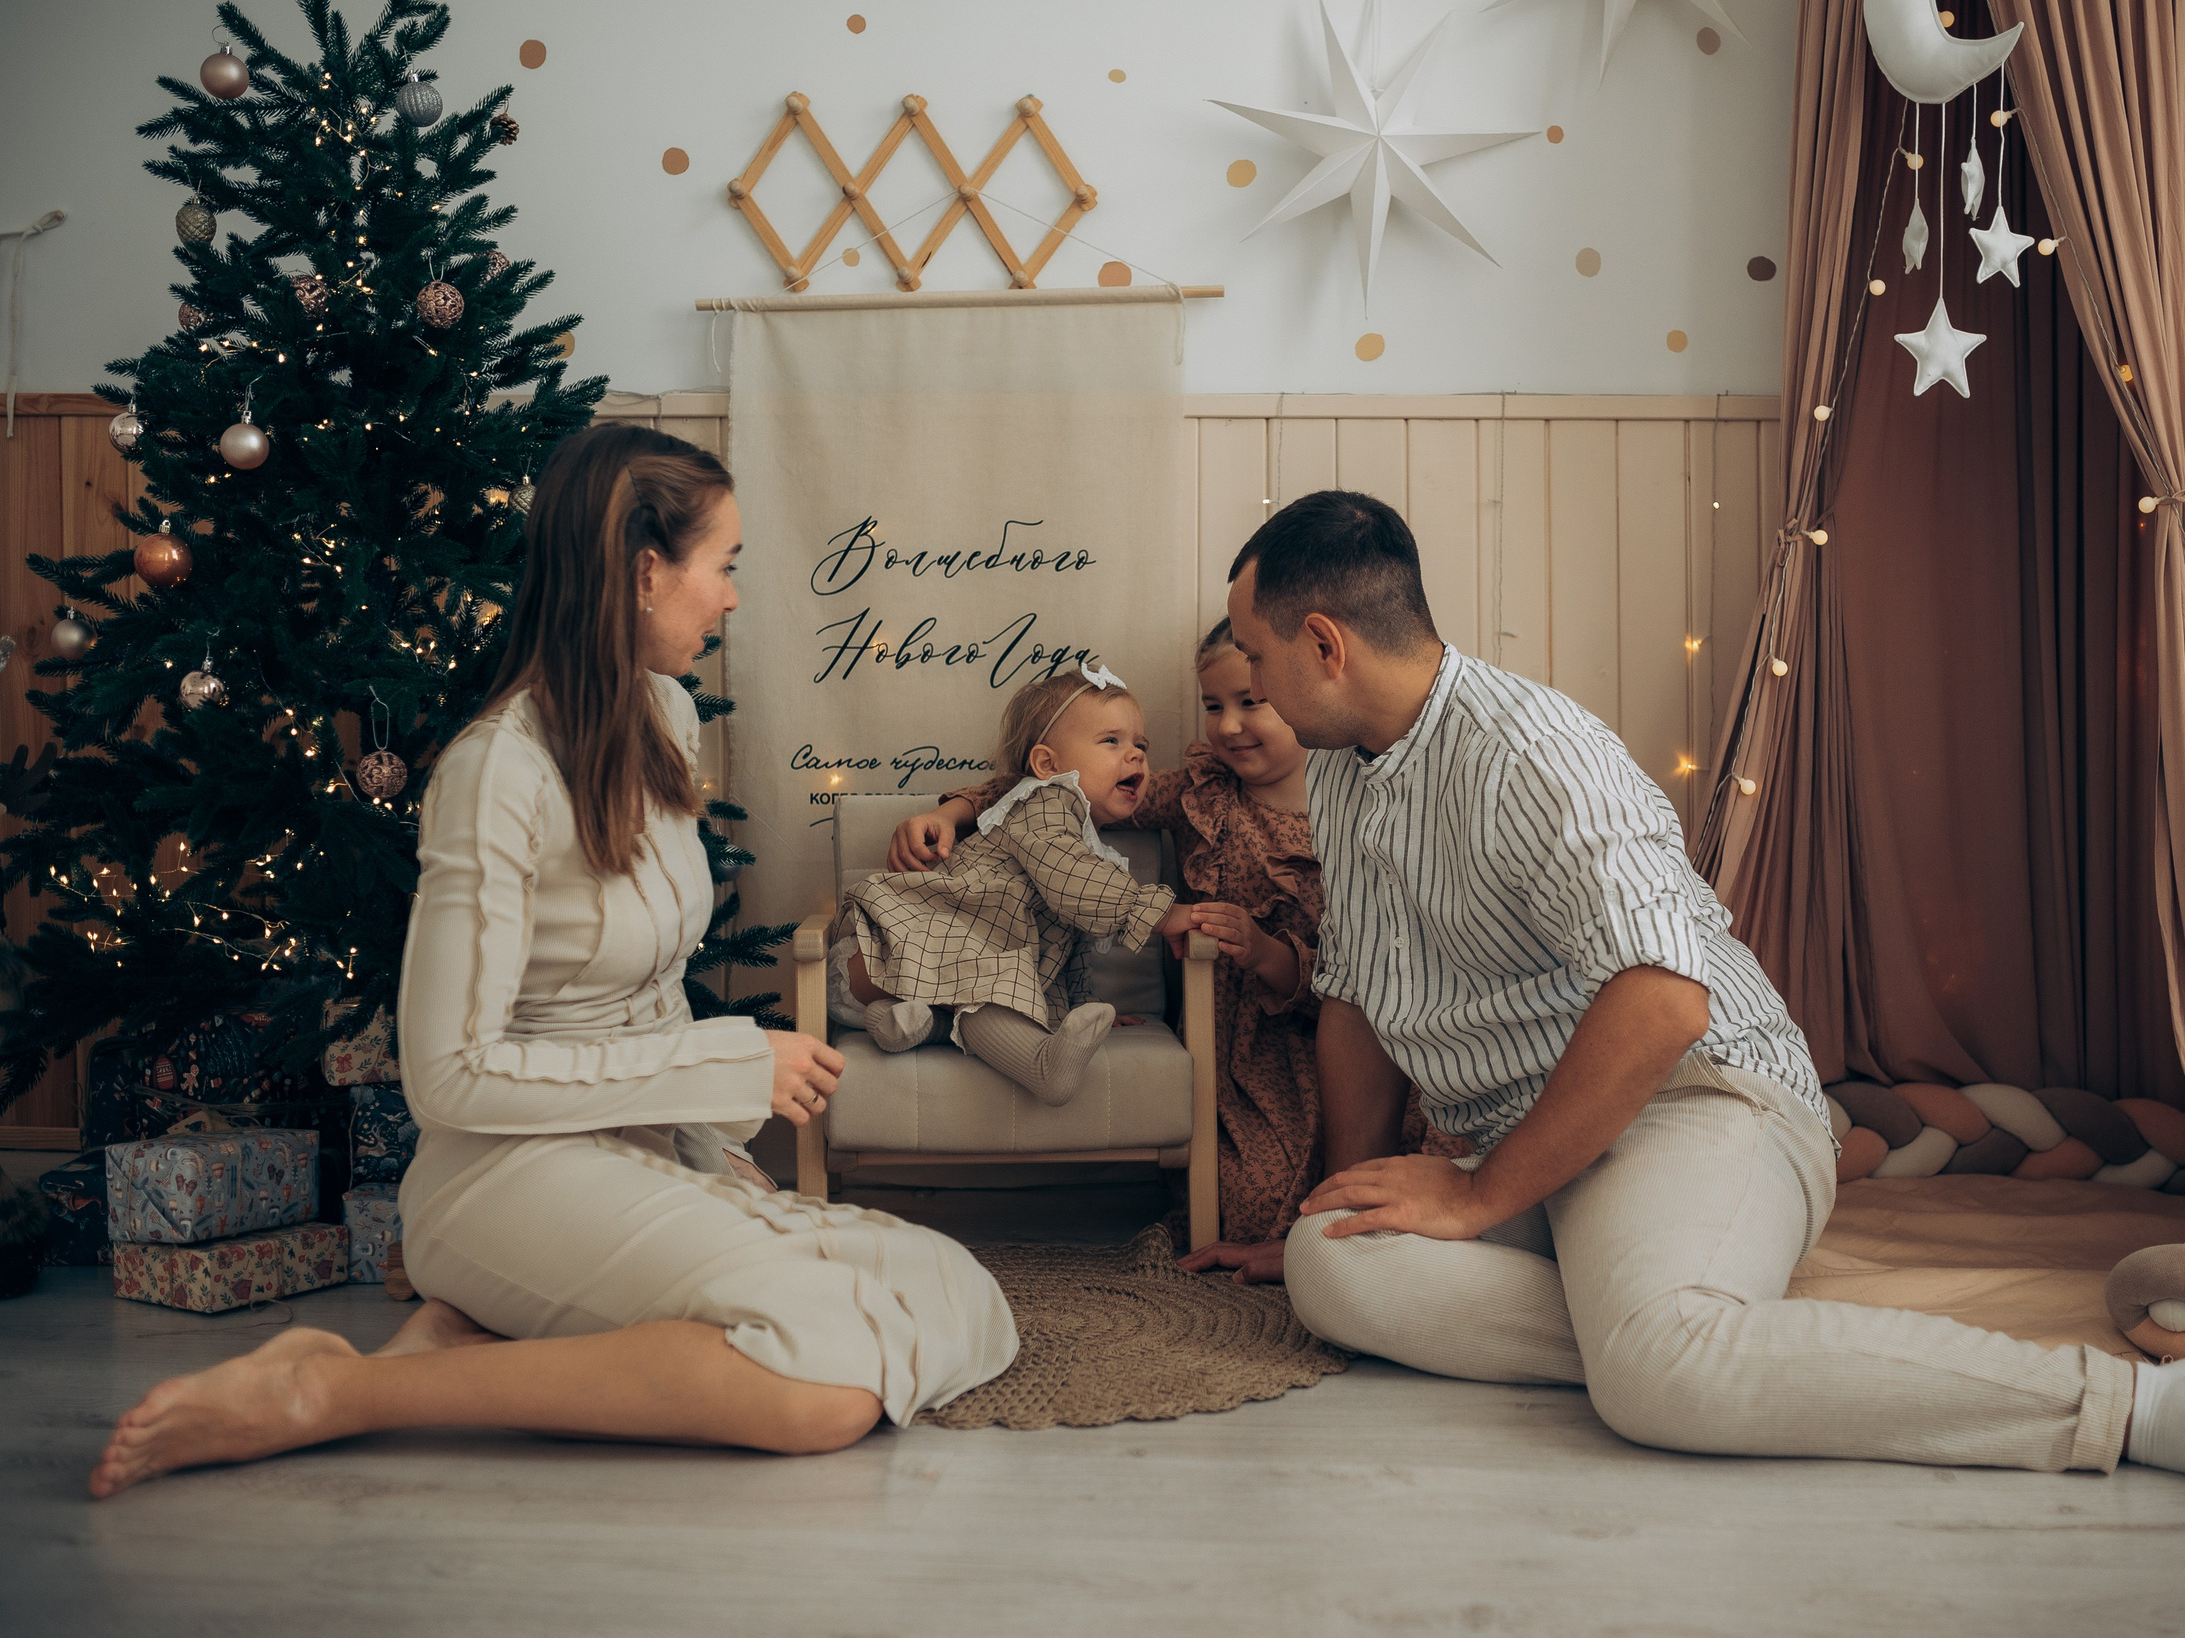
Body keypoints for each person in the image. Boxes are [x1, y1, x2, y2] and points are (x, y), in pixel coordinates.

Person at [1233, 489, 2185, 1521]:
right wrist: (1337, 1189)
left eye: (1254, 653)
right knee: (1330, 1259)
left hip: (1697, 1100)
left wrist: (1481, 1194)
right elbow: (1357, 998)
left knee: (1656, 1371)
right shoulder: (1343, 767)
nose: (1251, 685)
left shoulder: (1534, 751)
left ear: (1323, 644)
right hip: (1537, 1144)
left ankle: (2142, 1409)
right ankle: (1660, 1324)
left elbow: (1665, 1003)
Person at [89, 425, 1016, 1499]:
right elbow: (449, 1075)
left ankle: (459, 1337)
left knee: (955, 1286)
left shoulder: (663, 717)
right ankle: (338, 1391)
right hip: (501, 1170)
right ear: (642, 571)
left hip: (631, 1151)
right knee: (826, 1377)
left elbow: (647, 980)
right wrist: (718, 1069)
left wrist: (701, 1141)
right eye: (724, 565)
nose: (730, 597)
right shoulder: (495, 771)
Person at [900, 621, 1462, 1271]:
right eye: (1214, 705)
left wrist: (1265, 950)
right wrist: (951, 813)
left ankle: (1377, 1250)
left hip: (1347, 1025)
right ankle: (1313, 1248)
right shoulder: (1203, 793)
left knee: (1426, 1152)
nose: (1228, 726)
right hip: (1245, 1049)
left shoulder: (1355, 808)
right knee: (1255, 1194)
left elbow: (1370, 961)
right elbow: (1057, 786)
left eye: (1251, 701)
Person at [828, 661, 1189, 1106]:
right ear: (1047, 764)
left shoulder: (1078, 831)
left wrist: (1073, 1013)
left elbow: (1057, 951)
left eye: (1141, 745)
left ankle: (917, 1024)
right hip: (885, 948)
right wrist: (1163, 914)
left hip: (902, 980)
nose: (1135, 755)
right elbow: (1075, 882)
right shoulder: (1048, 802)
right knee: (991, 972)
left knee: (995, 974)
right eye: (1111, 741)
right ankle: (1041, 1067)